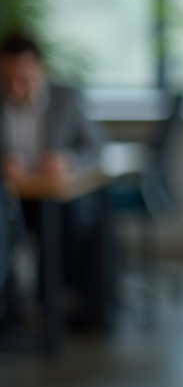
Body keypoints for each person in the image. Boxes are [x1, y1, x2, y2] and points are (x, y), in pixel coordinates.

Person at [0, 33, 112, 329]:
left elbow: (98, 146)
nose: (14, 87)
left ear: (41, 70)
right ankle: (13, 309)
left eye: (23, 78)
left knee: (71, 217)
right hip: (12, 201)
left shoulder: (66, 98)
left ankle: (54, 301)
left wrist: (68, 159)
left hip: (56, 200)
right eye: (7, 77)